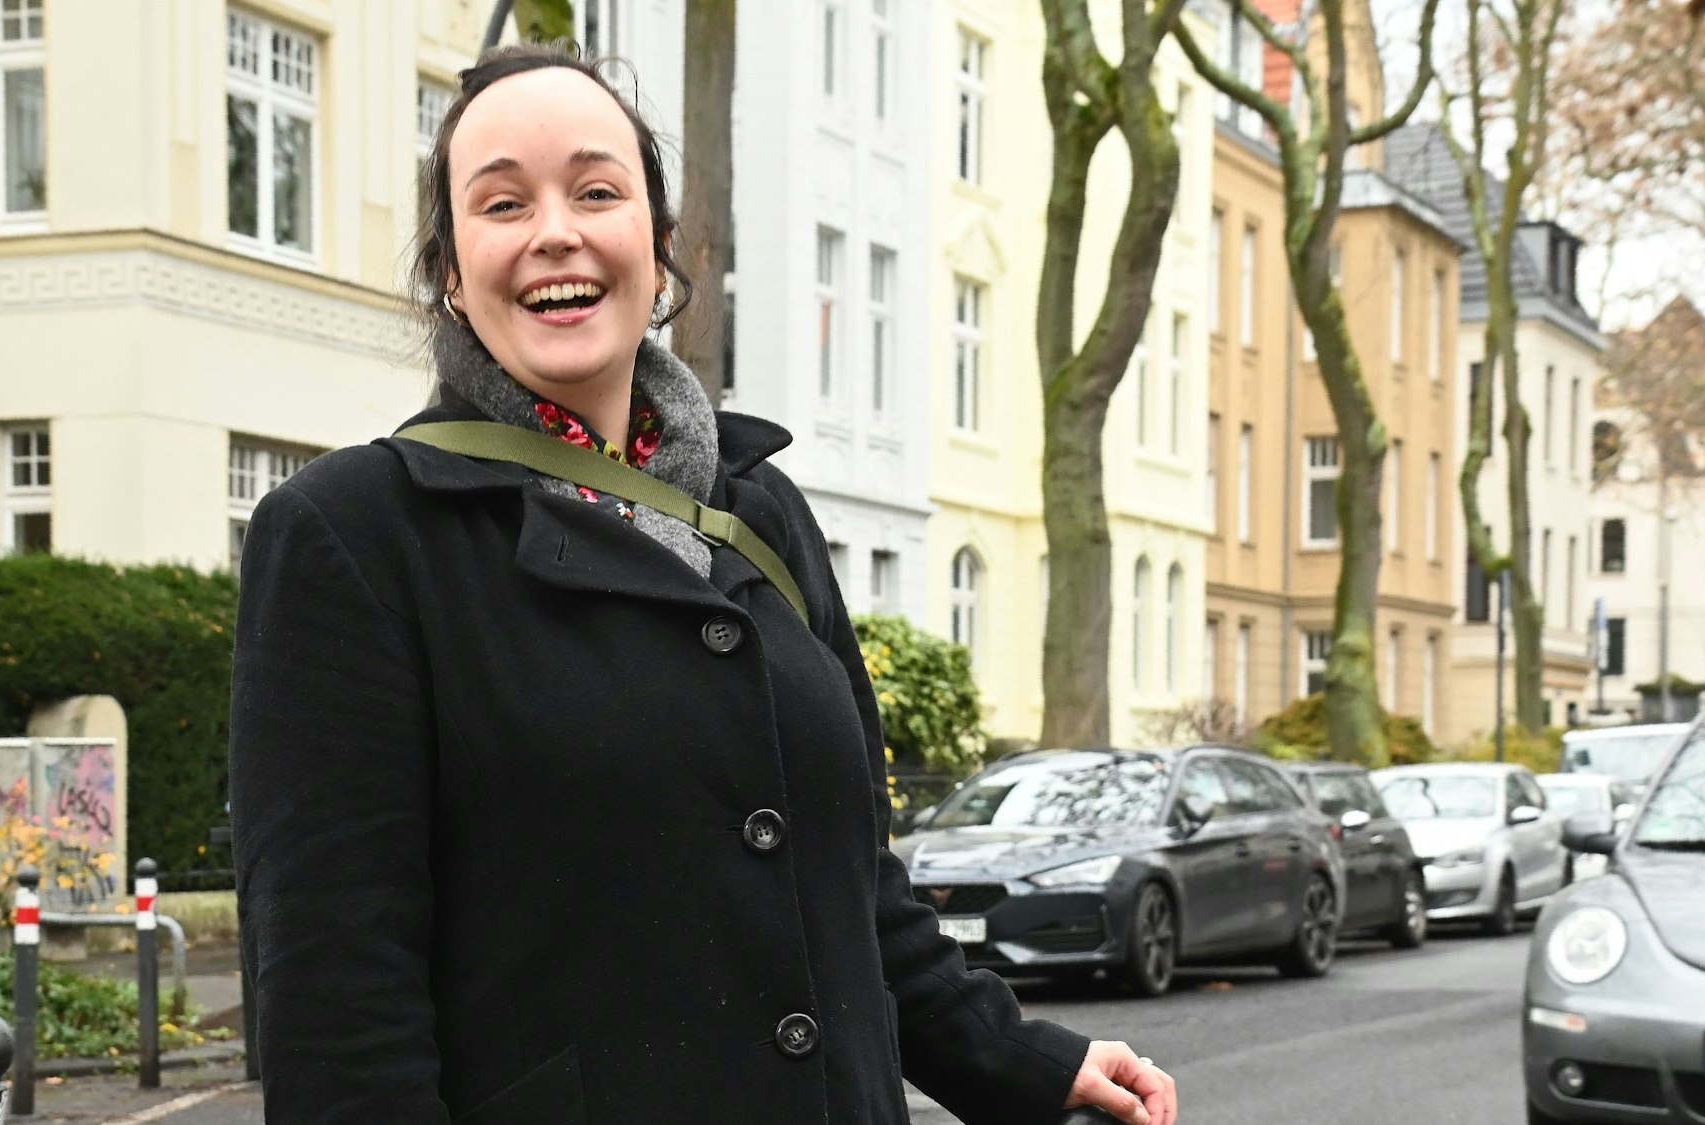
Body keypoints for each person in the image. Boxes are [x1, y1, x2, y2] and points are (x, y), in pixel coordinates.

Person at [229, 44, 1179, 1125]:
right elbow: (336, 1009)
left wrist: (1017, 1060)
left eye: (596, 191)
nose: (555, 231)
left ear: (657, 240)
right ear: (451, 269)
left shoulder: (756, 510)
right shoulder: (355, 537)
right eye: (501, 203)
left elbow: (850, 883)